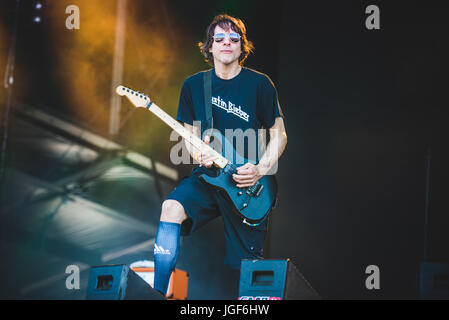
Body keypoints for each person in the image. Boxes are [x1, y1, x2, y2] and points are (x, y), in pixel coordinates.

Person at [153, 14, 287, 296]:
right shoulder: (194, 85)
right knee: (171, 209)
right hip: (209, 176)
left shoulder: (260, 84)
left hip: (247, 183)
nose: (227, 42)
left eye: (234, 39)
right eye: (220, 38)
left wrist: (260, 169)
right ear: (209, 47)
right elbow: (189, 135)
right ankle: (157, 291)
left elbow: (280, 135)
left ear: (242, 48)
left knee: (247, 265)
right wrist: (197, 153)